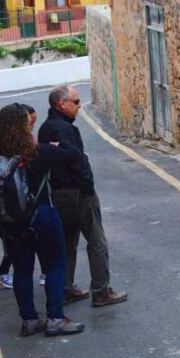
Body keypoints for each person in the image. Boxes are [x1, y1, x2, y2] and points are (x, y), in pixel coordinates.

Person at [0, 103, 85, 336]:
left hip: (10, 223)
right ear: (24, 127)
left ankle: (29, 320)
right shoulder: (38, 152)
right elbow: (74, 154)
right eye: (30, 124)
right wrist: (57, 144)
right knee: (54, 265)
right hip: (42, 216)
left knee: (22, 270)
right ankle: (56, 318)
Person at [38, 85, 127, 307]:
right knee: (96, 241)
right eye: (76, 102)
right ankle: (101, 290)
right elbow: (77, 162)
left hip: (58, 193)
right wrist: (88, 186)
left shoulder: (46, 128)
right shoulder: (67, 130)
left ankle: (65, 289)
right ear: (62, 104)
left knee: (67, 242)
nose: (79, 106)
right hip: (78, 192)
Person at [0, 103, 39, 289]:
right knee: (25, 253)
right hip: (25, 212)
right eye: (29, 123)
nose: (32, 128)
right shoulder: (27, 152)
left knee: (13, 249)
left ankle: (4, 275)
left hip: (0, 212)